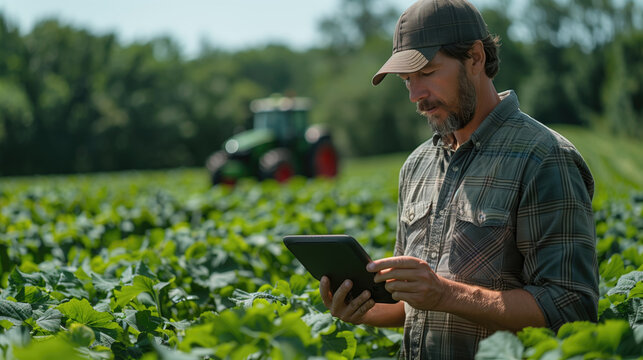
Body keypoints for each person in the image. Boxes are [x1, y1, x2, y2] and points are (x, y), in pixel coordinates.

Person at [319, 0, 599, 358]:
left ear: (475, 58)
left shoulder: (543, 158)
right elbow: (413, 308)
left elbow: (571, 307)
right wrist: (362, 309)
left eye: (428, 72)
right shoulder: (417, 165)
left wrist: (445, 293)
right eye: (407, 80)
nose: (415, 94)